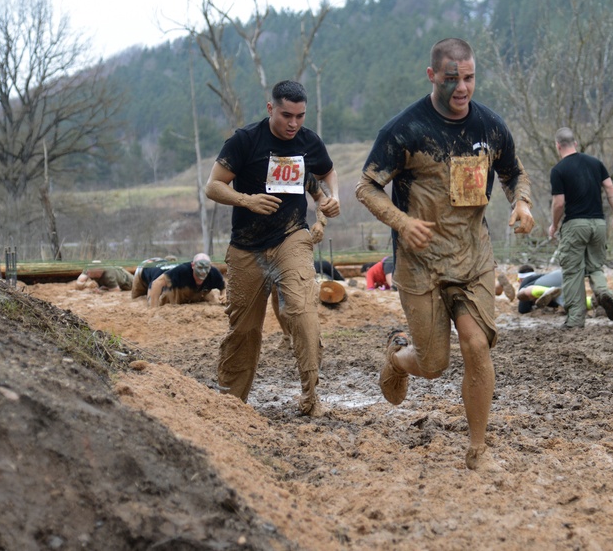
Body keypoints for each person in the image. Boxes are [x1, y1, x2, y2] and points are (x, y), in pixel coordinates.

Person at [355, 38, 534, 470]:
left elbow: (514, 174)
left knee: (476, 346)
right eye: (452, 78)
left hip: (472, 257)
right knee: (434, 364)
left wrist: (522, 203)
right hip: (420, 264)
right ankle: (397, 359)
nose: (462, 88)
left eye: (469, 78)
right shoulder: (405, 130)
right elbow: (366, 186)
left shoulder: (490, 127)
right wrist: (402, 223)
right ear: (432, 75)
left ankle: (477, 449)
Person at [205, 79, 340, 417]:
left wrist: (331, 200)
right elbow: (213, 186)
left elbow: (327, 173)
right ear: (270, 109)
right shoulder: (244, 141)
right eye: (286, 115)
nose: (293, 123)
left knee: (303, 313)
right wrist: (246, 200)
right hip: (246, 246)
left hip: (291, 236)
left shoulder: (309, 142)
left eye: (300, 116)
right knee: (246, 329)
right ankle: (231, 403)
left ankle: (311, 398)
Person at [547, 127, 613, 329]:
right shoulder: (596, 163)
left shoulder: (558, 170)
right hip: (598, 223)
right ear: (575, 143)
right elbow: (610, 188)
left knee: (573, 271)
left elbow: (558, 203)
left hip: (575, 224)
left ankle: (575, 319)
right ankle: (604, 292)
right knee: (595, 267)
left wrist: (554, 225)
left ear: (558, 146)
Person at [131, 253, 226, 307]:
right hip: (145, 268)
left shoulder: (213, 273)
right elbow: (156, 284)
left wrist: (224, 296)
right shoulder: (181, 272)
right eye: (200, 268)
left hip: (168, 267)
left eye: (206, 268)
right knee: (137, 299)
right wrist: (153, 309)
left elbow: (224, 287)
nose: (203, 272)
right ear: (193, 266)